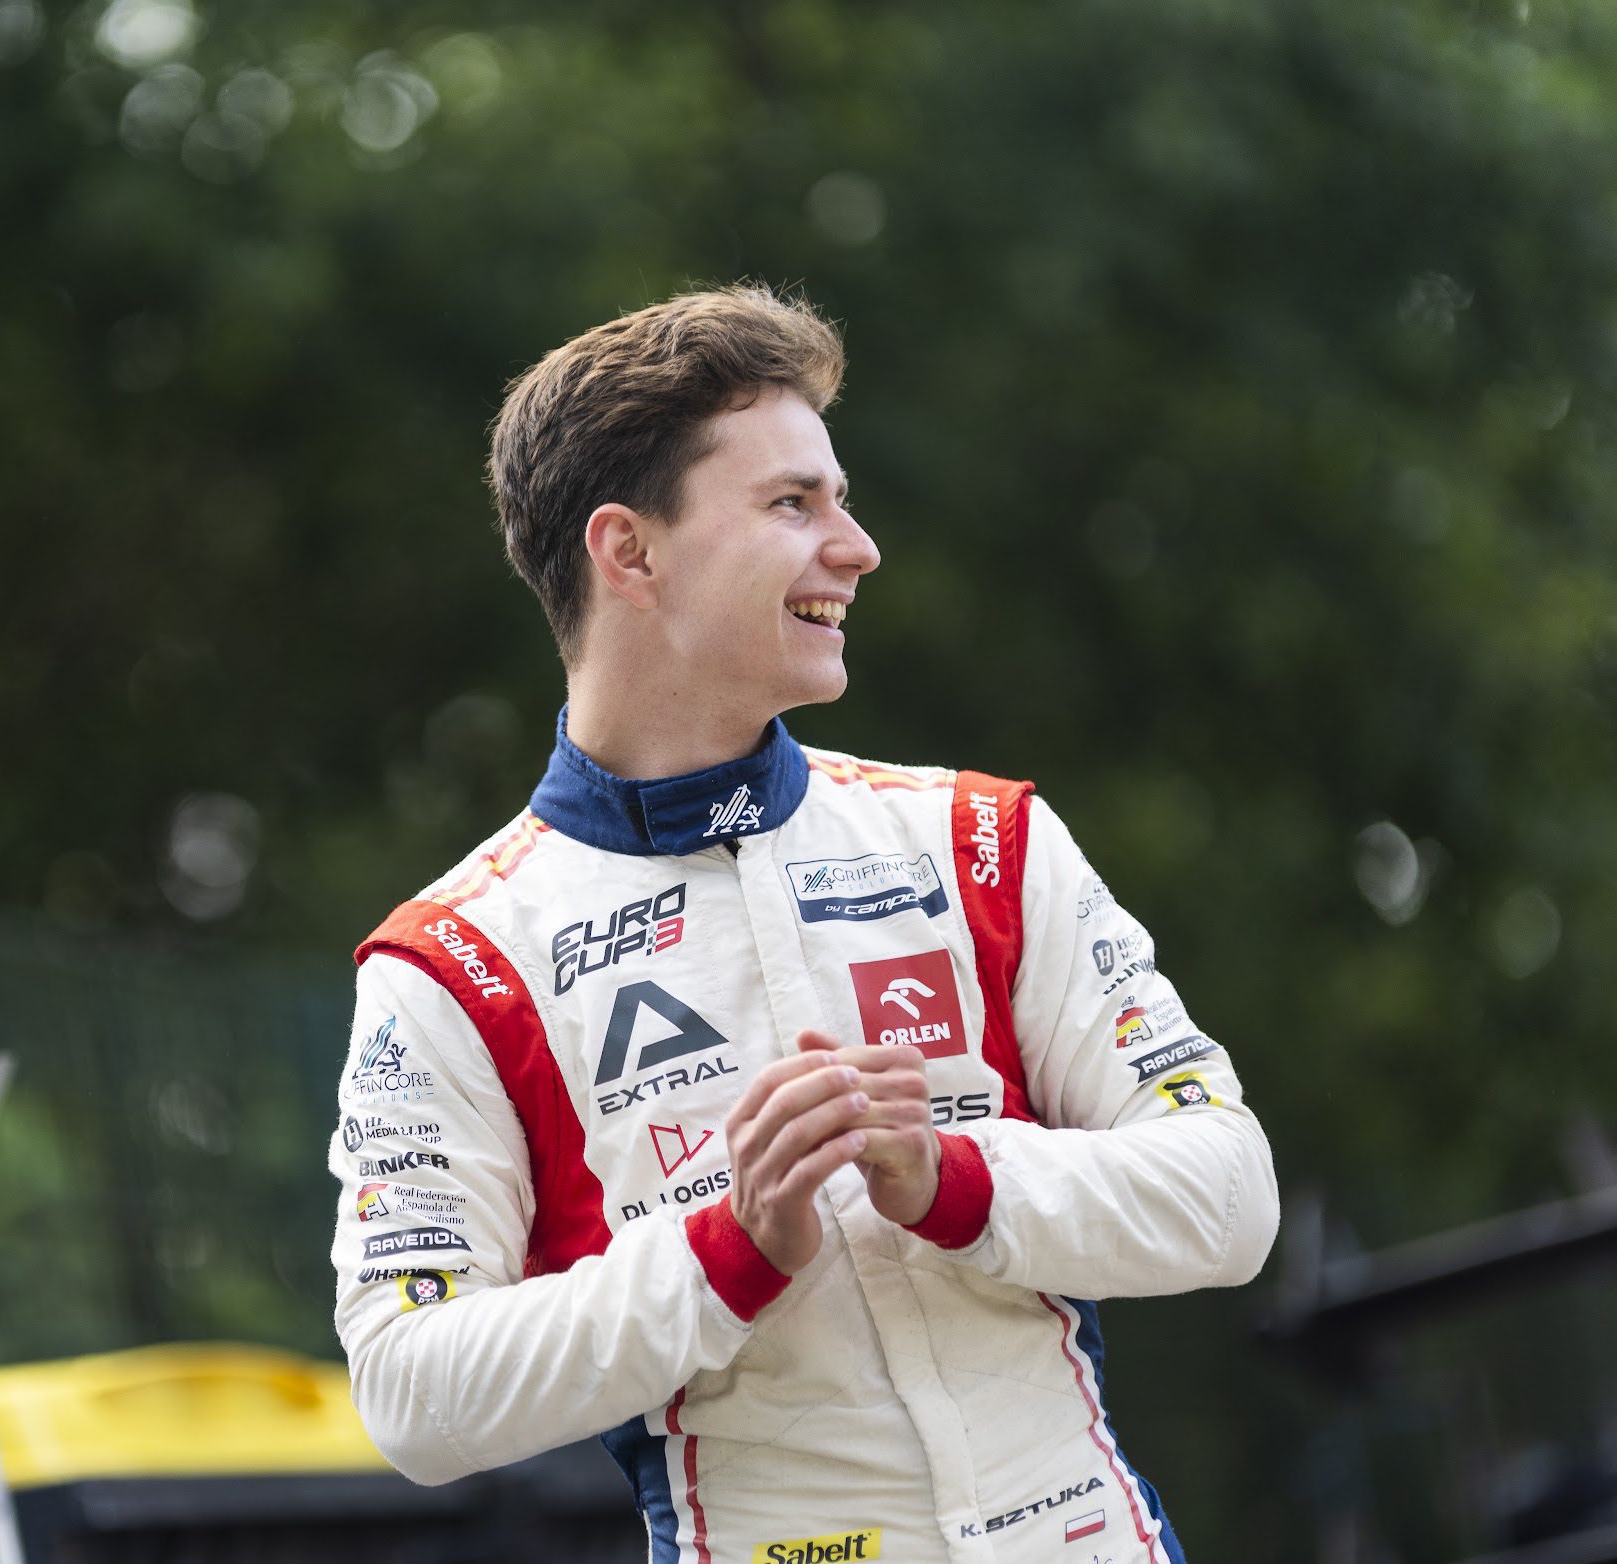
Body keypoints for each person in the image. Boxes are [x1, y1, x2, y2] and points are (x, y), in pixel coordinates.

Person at [325, 285, 1278, 1563]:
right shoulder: (455, 965)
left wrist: (955, 1177)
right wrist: (727, 1251)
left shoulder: (980, 841)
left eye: (841, 498)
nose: (858, 546)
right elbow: (411, 1394)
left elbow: (1232, 1195)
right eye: (793, 503)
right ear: (630, 553)